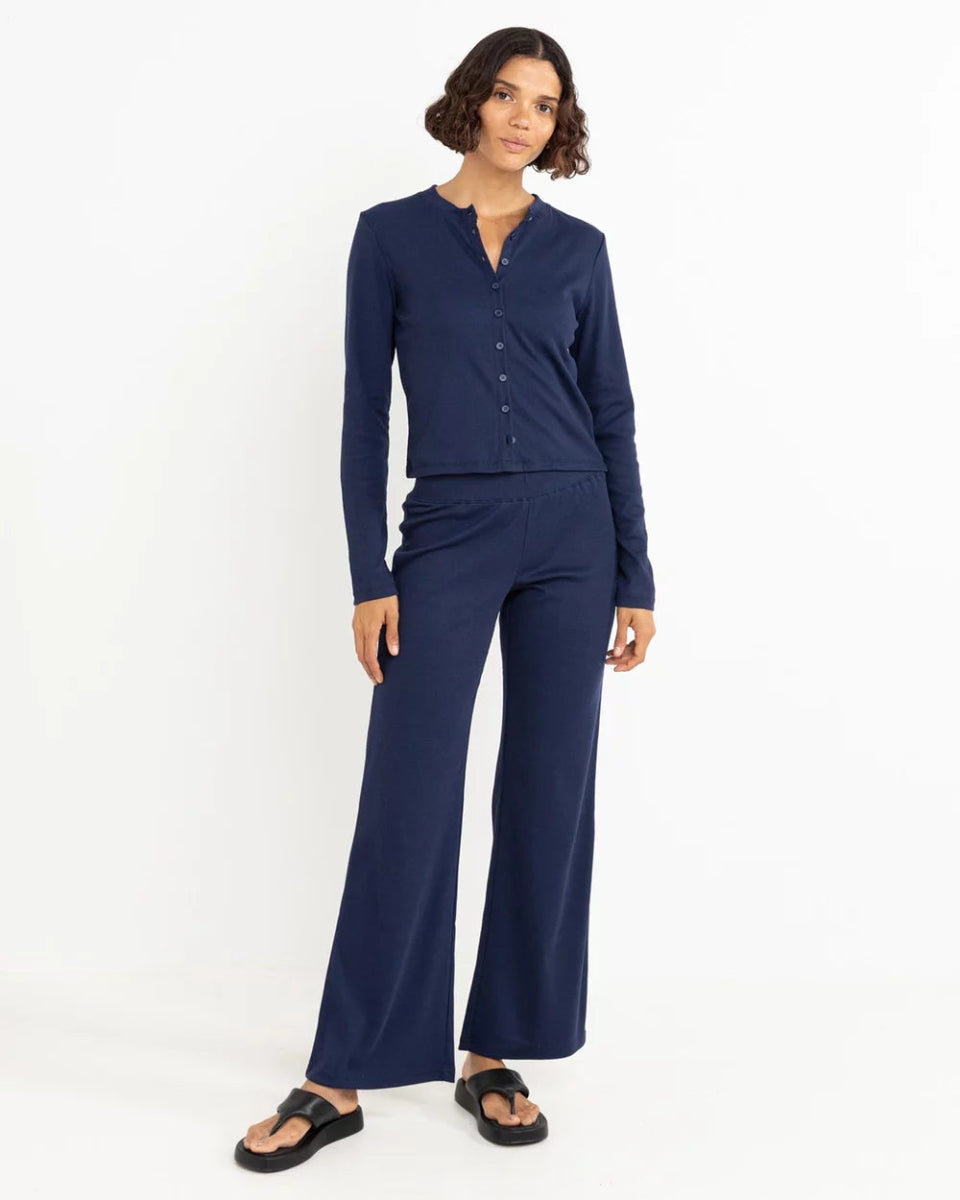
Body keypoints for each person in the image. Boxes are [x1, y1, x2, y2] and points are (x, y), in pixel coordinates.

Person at [235, 26, 656, 1172]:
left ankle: (496, 1052)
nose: (524, 118)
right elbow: (363, 414)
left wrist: (636, 572)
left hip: (575, 534)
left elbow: (613, 412)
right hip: (449, 534)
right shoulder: (391, 237)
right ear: (472, 102)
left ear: (559, 125)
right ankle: (340, 1075)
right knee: (409, 792)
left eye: (545, 104)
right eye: (507, 95)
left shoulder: (580, 251)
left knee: (548, 792)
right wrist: (370, 577)